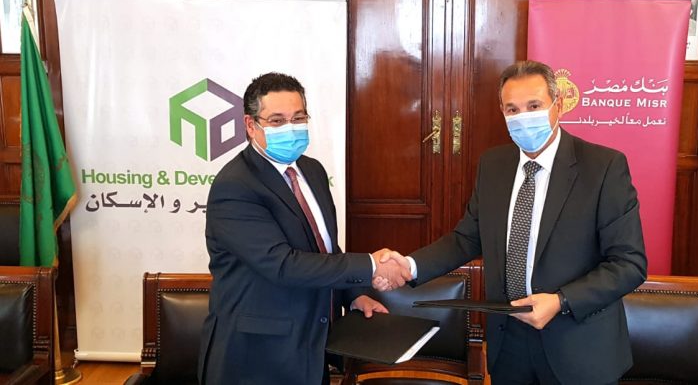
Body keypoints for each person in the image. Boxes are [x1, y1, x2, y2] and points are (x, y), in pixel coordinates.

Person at [378, 60, 647, 384]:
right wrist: (410, 266)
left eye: (534, 106)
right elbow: (467, 238)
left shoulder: (603, 167)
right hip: (510, 344)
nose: (523, 118)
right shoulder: (494, 165)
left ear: (559, 105)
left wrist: (561, 302)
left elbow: (628, 264)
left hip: (578, 344)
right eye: (512, 110)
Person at [198, 72, 411, 385]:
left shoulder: (312, 170)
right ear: (250, 125)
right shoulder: (235, 185)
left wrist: (353, 295)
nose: (291, 128)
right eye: (277, 120)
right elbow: (283, 265)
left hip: (312, 344)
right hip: (256, 356)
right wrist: (371, 265)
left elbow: (325, 249)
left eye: (298, 118)